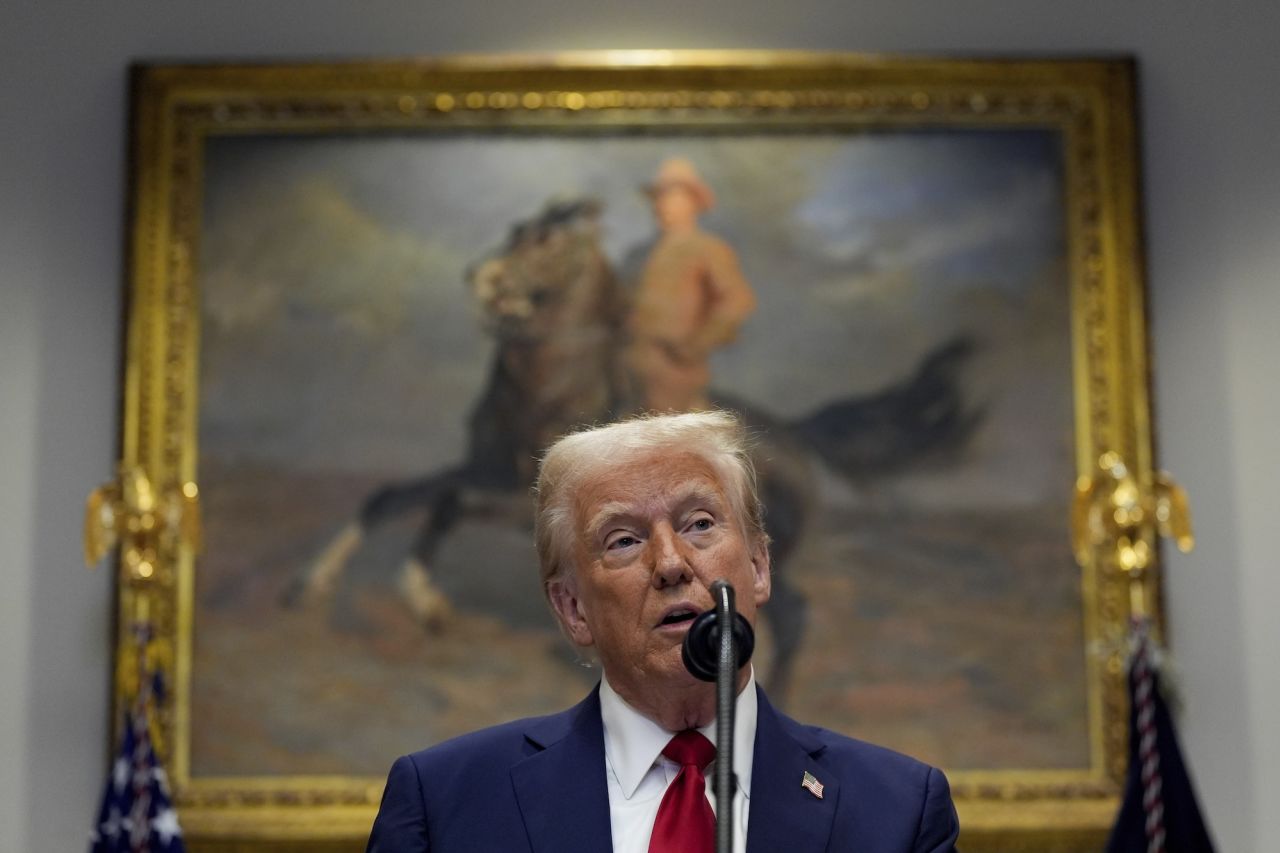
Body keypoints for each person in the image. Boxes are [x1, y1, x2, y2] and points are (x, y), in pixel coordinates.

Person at [367, 411, 960, 853]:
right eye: (623, 540)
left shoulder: (897, 811)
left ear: (758, 567)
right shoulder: (445, 805)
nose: (672, 563)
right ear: (572, 607)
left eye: (700, 524)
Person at [627, 159, 757, 413]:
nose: (662, 205)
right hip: (631, 365)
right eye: (659, 198)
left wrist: (697, 344)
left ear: (693, 203)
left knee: (666, 435)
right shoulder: (642, 253)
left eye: (672, 197)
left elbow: (738, 300)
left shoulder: (708, 248)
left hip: (675, 367)